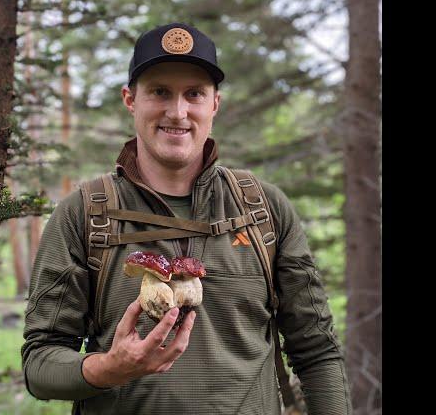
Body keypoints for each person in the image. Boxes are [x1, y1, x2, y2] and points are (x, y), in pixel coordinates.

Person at [22, 22, 352, 414]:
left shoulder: (264, 210)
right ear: (131, 99)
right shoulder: (85, 213)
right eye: (160, 92)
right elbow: (39, 363)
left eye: (194, 94)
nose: (177, 112)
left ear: (214, 104)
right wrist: (106, 369)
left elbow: (317, 351)